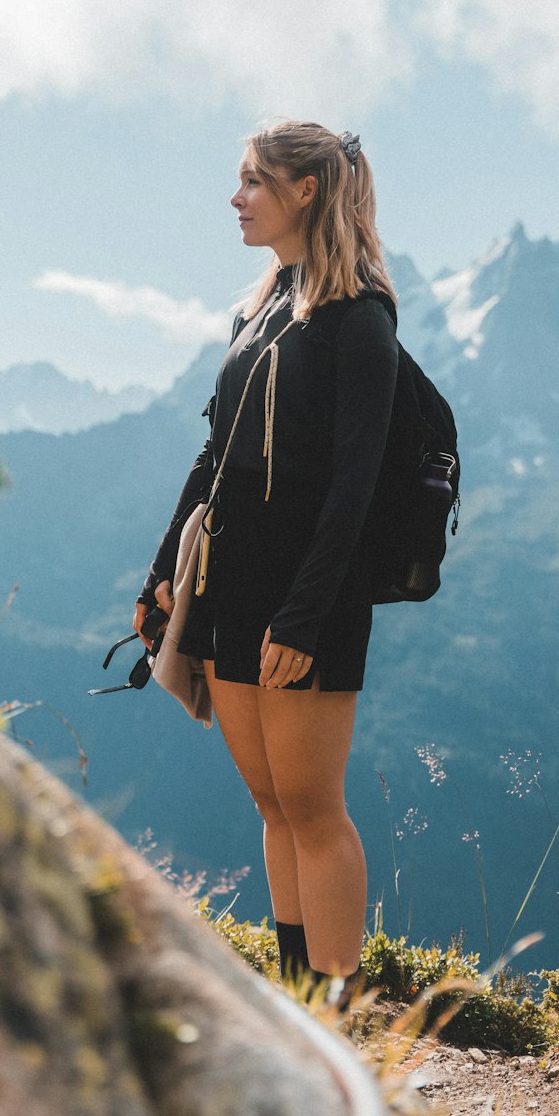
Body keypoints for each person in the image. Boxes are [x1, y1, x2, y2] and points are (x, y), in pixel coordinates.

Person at [134, 119, 399, 991]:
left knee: (316, 809)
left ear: (306, 191)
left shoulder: (360, 321)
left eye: (254, 181)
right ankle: (298, 997)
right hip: (231, 584)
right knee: (272, 803)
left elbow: (355, 487)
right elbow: (216, 459)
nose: (237, 197)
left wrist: (306, 612)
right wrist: (162, 574)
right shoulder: (263, 308)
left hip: (306, 597)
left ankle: (344, 1016)